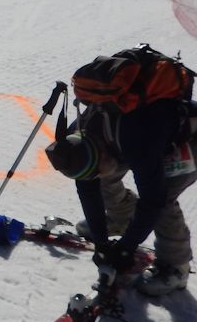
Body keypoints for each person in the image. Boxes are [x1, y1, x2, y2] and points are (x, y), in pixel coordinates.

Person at [46, 99, 196, 295]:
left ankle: (177, 266)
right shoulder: (76, 140)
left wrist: (127, 247)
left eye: (96, 169)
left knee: (164, 196)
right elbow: (87, 189)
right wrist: (100, 241)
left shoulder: (137, 142)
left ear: (102, 153)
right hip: (131, 139)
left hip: (187, 137)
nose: (95, 175)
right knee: (101, 178)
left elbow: (153, 201)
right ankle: (122, 218)